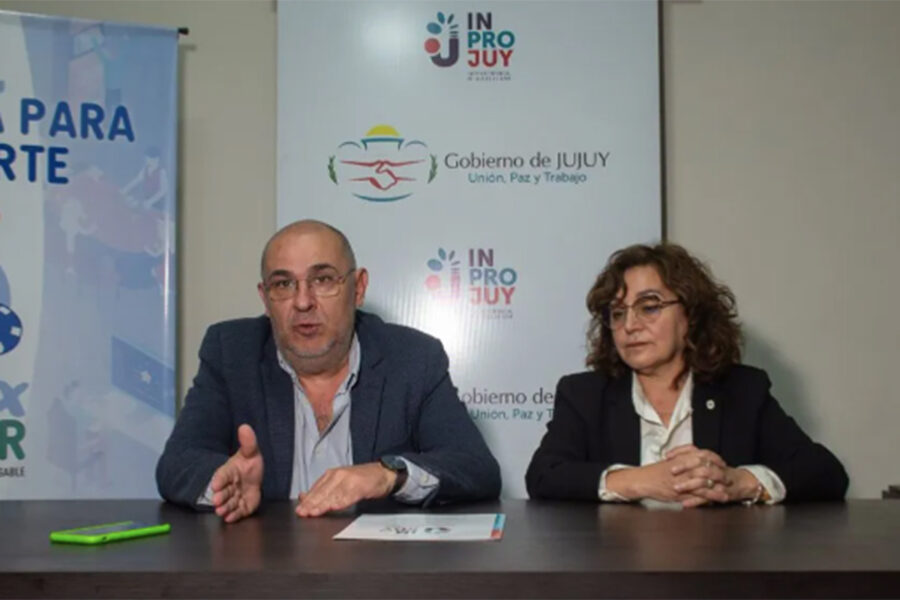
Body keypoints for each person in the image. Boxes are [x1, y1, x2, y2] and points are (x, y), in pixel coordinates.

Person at [157, 220, 500, 521]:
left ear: (358, 288)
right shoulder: (231, 352)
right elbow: (177, 463)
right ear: (265, 298)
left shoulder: (412, 358)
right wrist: (223, 484)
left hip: (378, 576)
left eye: (322, 279)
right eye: (283, 284)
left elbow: (476, 467)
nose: (303, 302)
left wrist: (386, 474)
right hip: (265, 573)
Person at [526, 243, 847, 506]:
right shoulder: (584, 394)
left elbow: (825, 473)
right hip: (618, 571)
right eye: (618, 313)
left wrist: (739, 482)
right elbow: (543, 475)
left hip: (718, 571)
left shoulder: (742, 390)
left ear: (690, 315)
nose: (630, 325)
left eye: (649, 307)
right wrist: (641, 480)